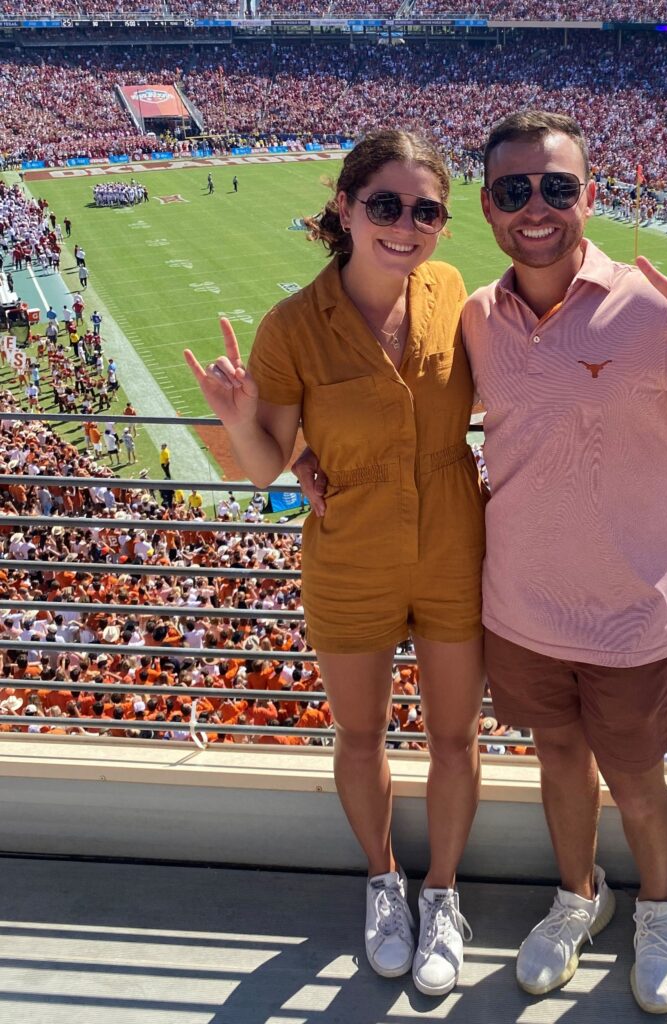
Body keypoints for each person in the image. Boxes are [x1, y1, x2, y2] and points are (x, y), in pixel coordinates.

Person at [463, 111, 667, 1014]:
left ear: (589, 198)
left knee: (638, 781)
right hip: (519, 605)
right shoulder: (480, 318)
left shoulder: (650, 306)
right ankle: (579, 898)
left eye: (557, 187)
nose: (537, 207)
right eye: (516, 189)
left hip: (631, 611)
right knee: (558, 763)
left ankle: (660, 908)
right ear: (488, 205)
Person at [184, 130, 486, 998]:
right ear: (345, 208)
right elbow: (264, 466)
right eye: (385, 205)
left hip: (455, 542)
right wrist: (240, 416)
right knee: (360, 734)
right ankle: (384, 882)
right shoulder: (291, 325)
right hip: (350, 550)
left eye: (425, 210)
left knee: (455, 734)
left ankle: (444, 894)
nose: (406, 224)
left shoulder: (452, 290)